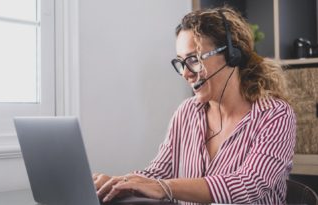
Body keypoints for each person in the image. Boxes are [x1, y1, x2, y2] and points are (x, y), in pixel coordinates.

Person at [93, 6, 296, 205]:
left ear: (233, 55)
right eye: (181, 62)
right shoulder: (187, 112)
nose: (185, 73)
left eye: (194, 59)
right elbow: (157, 174)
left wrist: (165, 187)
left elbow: (249, 184)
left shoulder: (275, 115)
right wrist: (118, 183)